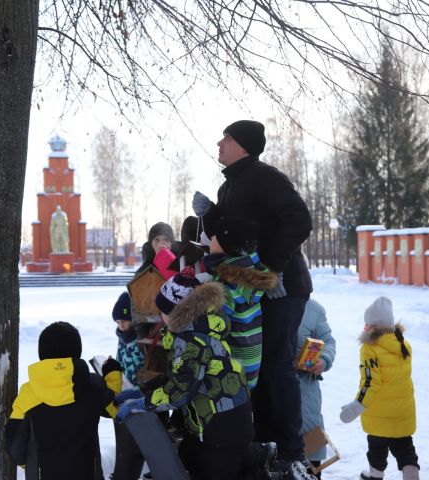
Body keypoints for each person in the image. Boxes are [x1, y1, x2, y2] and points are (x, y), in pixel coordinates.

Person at [192, 119, 314, 479]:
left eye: (225, 138)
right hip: (253, 286)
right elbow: (237, 235)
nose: (219, 142)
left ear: (242, 144)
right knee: (255, 367)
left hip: (283, 287)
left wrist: (272, 268)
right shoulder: (232, 185)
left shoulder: (266, 177)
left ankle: (291, 451)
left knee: (276, 365)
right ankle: (264, 443)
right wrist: (211, 214)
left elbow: (300, 220)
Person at [114, 267, 255, 480]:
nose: (160, 316)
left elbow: (180, 390)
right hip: (225, 419)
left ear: (176, 313)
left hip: (220, 427)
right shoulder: (202, 326)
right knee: (189, 457)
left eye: (162, 310)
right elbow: (183, 375)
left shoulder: (192, 339)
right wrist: (144, 392)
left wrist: (146, 403)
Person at [5, 321, 121, 480]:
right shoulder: (93, 385)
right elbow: (115, 409)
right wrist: (112, 374)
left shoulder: (28, 394)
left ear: (42, 354)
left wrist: (31, 462)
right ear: (77, 352)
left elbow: (15, 450)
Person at [339, 296, 420, 480]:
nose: (365, 327)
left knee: (376, 448)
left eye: (368, 324)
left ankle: (375, 476)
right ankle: (412, 476)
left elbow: (370, 382)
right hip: (403, 411)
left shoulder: (370, 348)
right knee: (405, 448)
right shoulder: (403, 344)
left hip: (379, 413)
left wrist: (357, 405)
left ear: (375, 326)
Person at [202, 215, 277, 389]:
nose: (210, 240)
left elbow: (213, 327)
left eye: (214, 237)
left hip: (229, 371)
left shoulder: (226, 285)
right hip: (248, 365)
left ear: (226, 245)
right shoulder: (250, 274)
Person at [296, 298, 336, 477]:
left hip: (306, 391)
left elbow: (328, 341)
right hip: (273, 388)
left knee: (311, 460)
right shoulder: (266, 301)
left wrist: (323, 360)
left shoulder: (314, 309)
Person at [110, 292, 146, 480]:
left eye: (124, 321)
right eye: (117, 322)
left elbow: (141, 365)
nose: (121, 325)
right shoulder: (122, 338)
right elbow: (120, 361)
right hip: (125, 389)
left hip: (140, 391)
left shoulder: (139, 338)